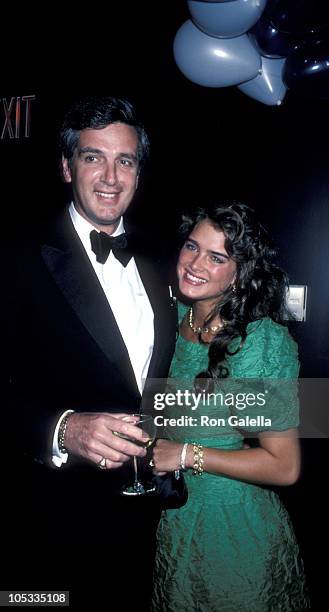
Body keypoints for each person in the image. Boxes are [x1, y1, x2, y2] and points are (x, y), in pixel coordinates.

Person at [1, 96, 177, 609]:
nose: (110, 176)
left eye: (125, 160)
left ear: (139, 174)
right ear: (65, 167)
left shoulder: (163, 256)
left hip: (145, 518)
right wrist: (62, 428)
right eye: (92, 156)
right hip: (50, 521)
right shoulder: (16, 257)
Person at [151, 202, 310, 611]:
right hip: (176, 521)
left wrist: (186, 454)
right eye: (192, 247)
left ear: (240, 275)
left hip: (235, 533)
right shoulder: (172, 316)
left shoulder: (257, 343)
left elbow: (284, 465)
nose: (195, 263)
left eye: (217, 257)